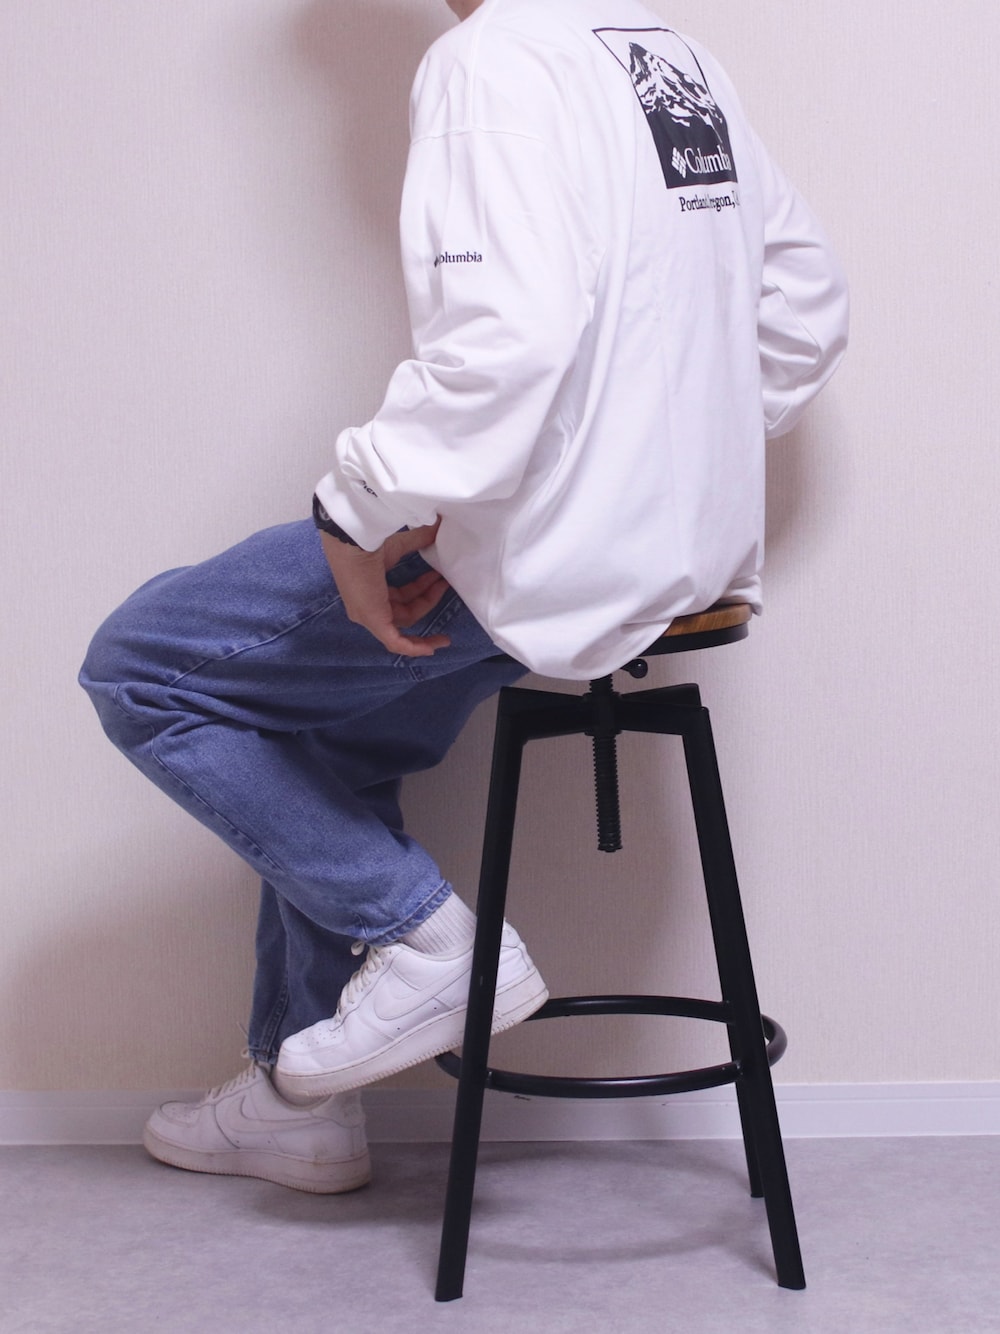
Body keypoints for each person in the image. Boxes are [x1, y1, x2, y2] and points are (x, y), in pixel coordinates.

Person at [80, 0, 848, 1194]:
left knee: (140, 665)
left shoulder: (490, 59)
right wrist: (656, 458)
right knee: (323, 731)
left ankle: (427, 940)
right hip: (670, 553)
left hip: (545, 553)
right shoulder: (665, 56)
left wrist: (360, 503)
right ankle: (295, 1102)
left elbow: (505, 338)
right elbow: (805, 302)